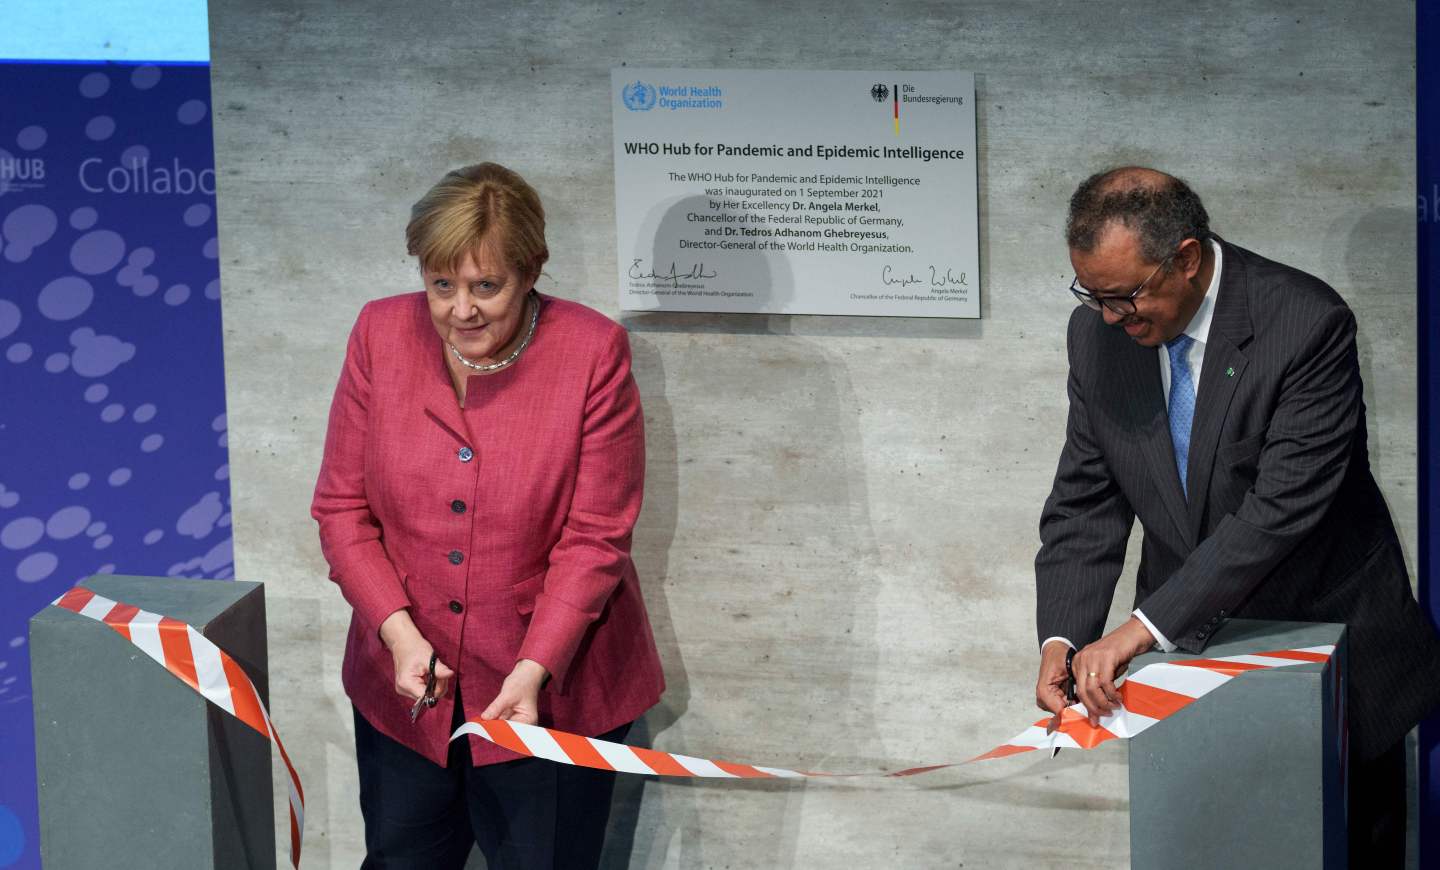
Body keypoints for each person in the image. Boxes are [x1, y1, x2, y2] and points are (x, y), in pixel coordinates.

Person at [1033, 166, 1440, 864]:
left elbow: (1279, 510)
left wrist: (1139, 629)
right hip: (1190, 669)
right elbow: (1086, 500)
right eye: (1091, 295)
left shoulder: (1305, 323)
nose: (1108, 317)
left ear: (1186, 259)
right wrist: (1061, 640)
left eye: (1125, 296)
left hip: (1334, 659)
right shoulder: (1097, 339)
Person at [312, 162, 665, 869]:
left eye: (486, 286)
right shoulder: (379, 334)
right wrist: (398, 634)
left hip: (552, 693)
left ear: (533, 269)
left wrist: (534, 666)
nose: (461, 310)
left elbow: (595, 538)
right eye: (441, 285)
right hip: (407, 687)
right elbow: (342, 508)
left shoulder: (592, 351)